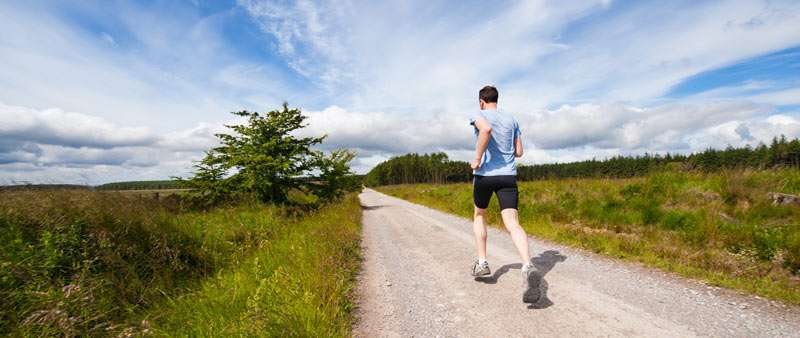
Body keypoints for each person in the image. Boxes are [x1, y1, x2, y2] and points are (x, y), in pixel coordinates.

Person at [469, 85, 540, 303]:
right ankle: (527, 265)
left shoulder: (478, 114)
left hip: (485, 175)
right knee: (512, 223)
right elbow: (519, 152)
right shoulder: (512, 120)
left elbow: (486, 130)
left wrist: (478, 159)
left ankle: (482, 263)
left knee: (480, 215)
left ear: (482, 101)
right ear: (496, 100)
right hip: (508, 176)